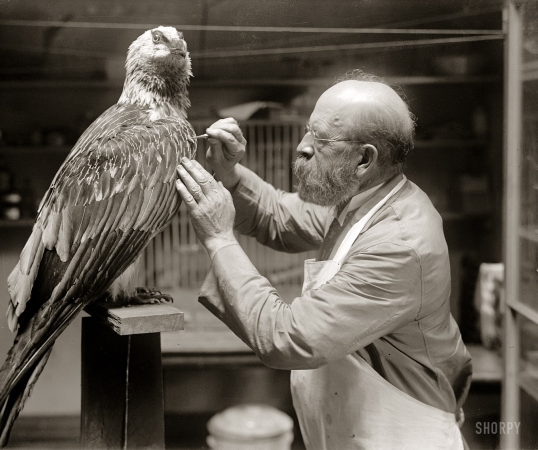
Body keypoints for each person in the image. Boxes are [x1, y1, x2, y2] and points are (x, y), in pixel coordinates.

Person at [175, 71, 472, 450]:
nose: (300, 147)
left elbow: (287, 338)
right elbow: (279, 217)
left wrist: (219, 238)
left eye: (320, 140)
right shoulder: (361, 202)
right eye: (306, 131)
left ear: (365, 159)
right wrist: (230, 175)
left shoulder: (399, 243)